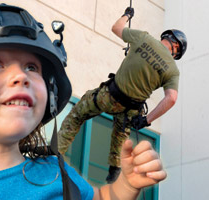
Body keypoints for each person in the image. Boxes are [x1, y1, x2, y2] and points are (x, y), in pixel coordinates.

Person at [0, 4, 166, 199]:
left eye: (32, 67)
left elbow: (100, 198)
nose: (21, 75)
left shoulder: (56, 175)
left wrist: (127, 185)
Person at [57, 6, 186, 183]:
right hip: (130, 110)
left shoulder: (143, 38)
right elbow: (171, 98)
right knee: (120, 136)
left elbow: (116, 28)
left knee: (78, 113)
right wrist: (147, 120)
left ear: (168, 37)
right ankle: (114, 172)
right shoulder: (172, 70)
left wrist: (127, 15)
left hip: (109, 96)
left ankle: (56, 152)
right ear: (176, 47)